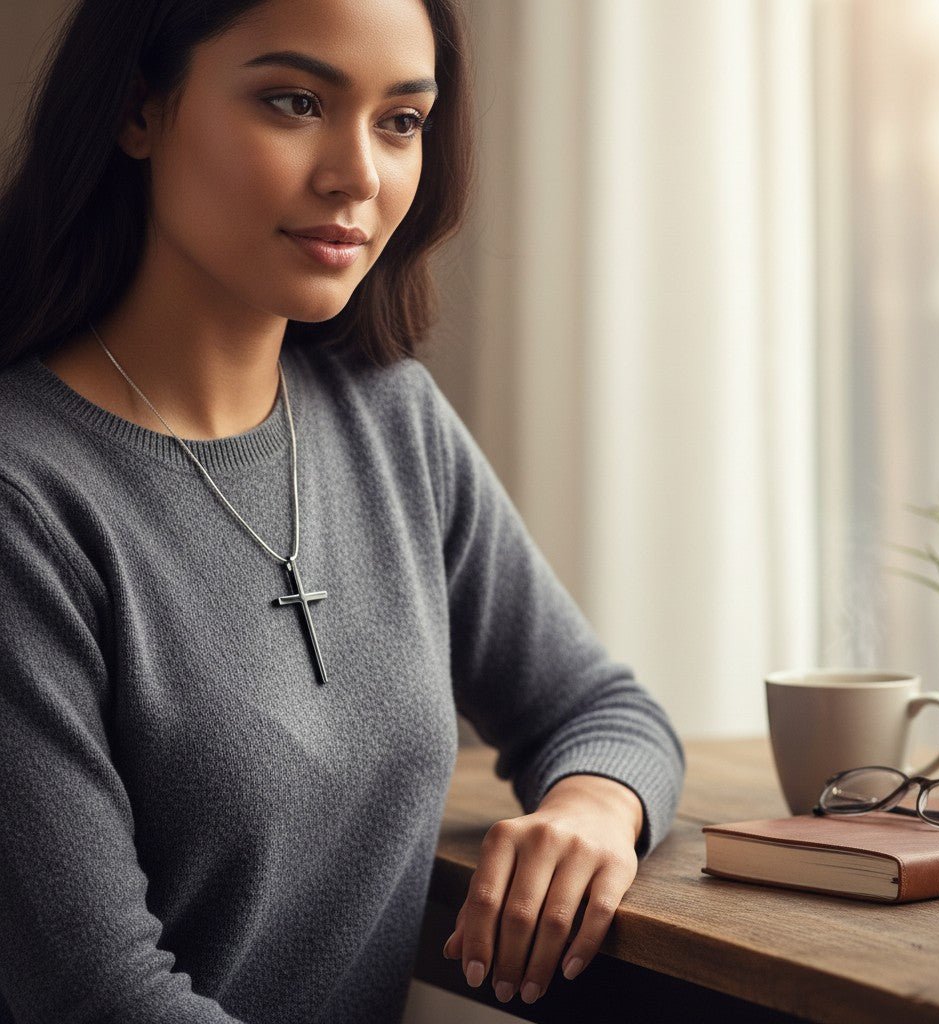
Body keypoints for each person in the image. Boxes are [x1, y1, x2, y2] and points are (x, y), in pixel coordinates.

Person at [0, 0, 686, 1021]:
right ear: (139, 109)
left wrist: (593, 807)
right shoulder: (27, 498)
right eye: (295, 102)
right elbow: (99, 995)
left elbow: (602, 710)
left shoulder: (390, 421)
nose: (358, 175)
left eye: (400, 121)